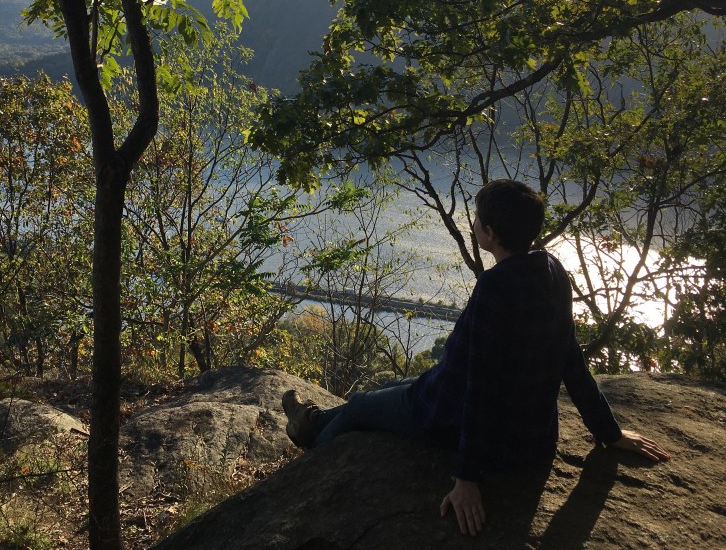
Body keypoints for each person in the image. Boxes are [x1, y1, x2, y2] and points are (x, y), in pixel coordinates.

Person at [281, 179, 670, 537]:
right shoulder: (553, 270)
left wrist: (466, 478)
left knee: (361, 405)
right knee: (386, 387)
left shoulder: (495, 287)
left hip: (461, 420)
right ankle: (311, 419)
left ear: (490, 234)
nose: (474, 225)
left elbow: (481, 385)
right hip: (532, 436)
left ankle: (307, 448)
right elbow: (571, 359)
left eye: (478, 220)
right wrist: (608, 432)